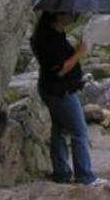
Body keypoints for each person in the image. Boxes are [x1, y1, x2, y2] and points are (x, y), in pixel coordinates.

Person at [30, 11, 103, 186]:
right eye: (70, 12)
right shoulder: (48, 39)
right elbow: (60, 69)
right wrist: (81, 52)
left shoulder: (54, 33)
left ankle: (61, 173)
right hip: (60, 91)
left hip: (54, 88)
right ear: (57, 14)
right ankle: (84, 176)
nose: (74, 14)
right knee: (79, 132)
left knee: (60, 131)